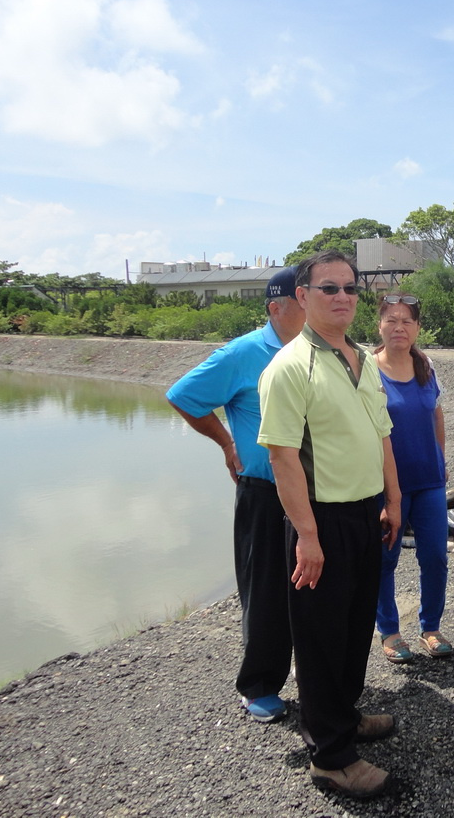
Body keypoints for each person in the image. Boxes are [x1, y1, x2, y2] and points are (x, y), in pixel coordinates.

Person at [257, 250, 402, 800]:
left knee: (353, 625)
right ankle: (332, 758)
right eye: (328, 288)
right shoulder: (291, 367)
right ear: (303, 297)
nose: (342, 296)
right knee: (319, 638)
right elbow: (282, 458)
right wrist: (309, 537)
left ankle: (344, 713)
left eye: (349, 287)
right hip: (322, 520)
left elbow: (381, 435)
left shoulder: (361, 358)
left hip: (368, 513)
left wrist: (392, 501)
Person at [166, 267, 306, 723]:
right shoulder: (245, 352)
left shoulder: (318, 351)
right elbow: (184, 396)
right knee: (264, 591)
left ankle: (316, 676)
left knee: (311, 586)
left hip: (316, 490)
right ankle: (259, 686)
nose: (312, 305)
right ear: (276, 307)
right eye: (302, 298)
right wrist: (227, 443)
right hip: (265, 491)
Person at [372, 293, 454, 664]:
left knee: (435, 556)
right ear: (379, 326)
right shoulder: (366, 371)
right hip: (387, 485)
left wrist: (440, 456)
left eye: (406, 321)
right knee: (384, 560)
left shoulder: (426, 366)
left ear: (418, 328)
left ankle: (431, 627)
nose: (398, 327)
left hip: (429, 481)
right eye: (391, 319)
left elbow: (435, 415)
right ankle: (389, 630)